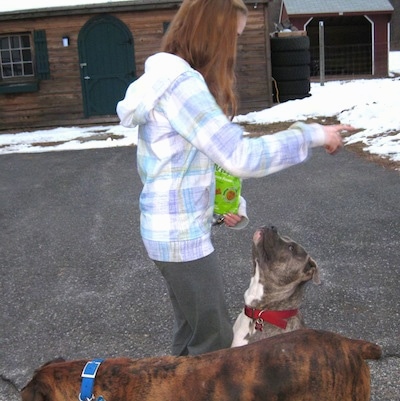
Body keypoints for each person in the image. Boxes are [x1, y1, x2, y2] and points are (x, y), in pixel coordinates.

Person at [116, 0, 355, 356]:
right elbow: (240, 156)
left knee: (190, 335)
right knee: (212, 344)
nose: (234, 48)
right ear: (211, 34)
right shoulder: (181, 86)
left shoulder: (167, 81)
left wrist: (222, 206)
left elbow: (186, 166)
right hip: (180, 239)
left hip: (168, 231)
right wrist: (311, 135)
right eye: (234, 37)